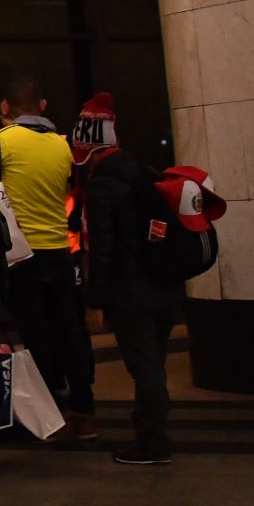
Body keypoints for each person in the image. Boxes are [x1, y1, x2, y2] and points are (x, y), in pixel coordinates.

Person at [0, 76, 97, 441]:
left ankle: (48, 412)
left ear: (5, 108)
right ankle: (84, 410)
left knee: (35, 335)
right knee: (68, 331)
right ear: (42, 107)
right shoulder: (61, 146)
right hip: (59, 252)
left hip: (21, 257)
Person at [75, 93, 191, 466]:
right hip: (166, 284)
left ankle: (153, 442)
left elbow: (102, 249)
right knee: (153, 363)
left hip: (133, 292)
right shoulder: (145, 172)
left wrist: (96, 301)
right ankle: (150, 431)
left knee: (145, 368)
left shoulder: (102, 186)